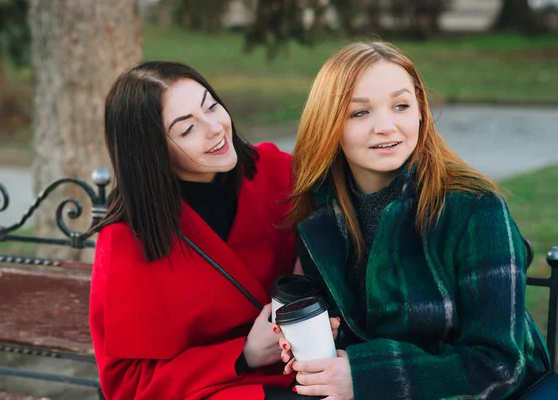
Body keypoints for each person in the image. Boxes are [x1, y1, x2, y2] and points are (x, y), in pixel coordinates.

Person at [279, 41, 549, 399]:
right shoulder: (320, 219)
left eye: (401, 106)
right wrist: (319, 337)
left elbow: (498, 366)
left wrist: (364, 377)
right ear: (328, 124)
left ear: (421, 111)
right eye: (360, 113)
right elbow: (357, 334)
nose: (386, 126)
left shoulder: (475, 209)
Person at [88, 61, 302, 399]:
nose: (216, 128)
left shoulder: (277, 173)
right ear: (154, 152)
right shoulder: (128, 238)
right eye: (187, 129)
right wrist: (243, 355)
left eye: (212, 106)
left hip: (310, 376)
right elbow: (127, 384)